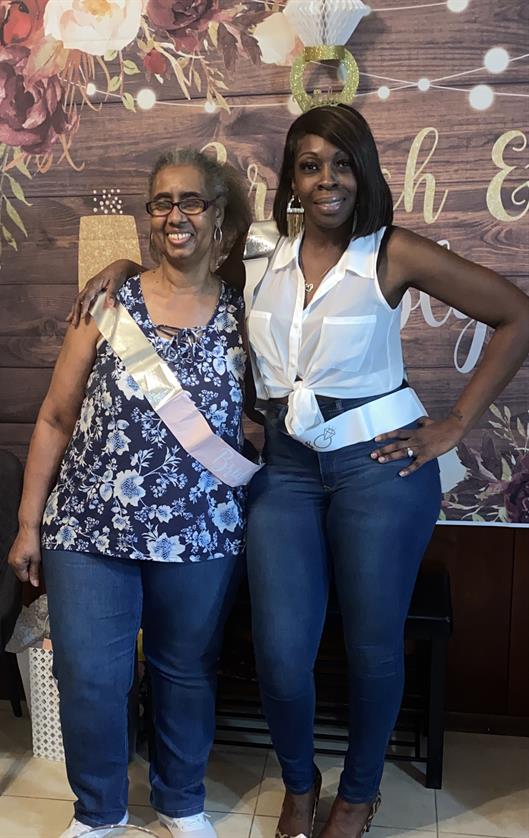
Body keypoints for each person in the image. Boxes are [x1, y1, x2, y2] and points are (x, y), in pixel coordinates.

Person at [69, 105, 529, 838]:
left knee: (372, 644)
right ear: (291, 177)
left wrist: (453, 425)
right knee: (282, 652)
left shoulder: (391, 252)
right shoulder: (256, 249)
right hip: (283, 470)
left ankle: (358, 794)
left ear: (363, 171)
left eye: (340, 163)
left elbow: (515, 314)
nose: (325, 179)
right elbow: (175, 264)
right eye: (309, 164)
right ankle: (299, 784)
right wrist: (126, 268)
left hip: (378, 470)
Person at [8, 148, 255, 838]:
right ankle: (99, 815)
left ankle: (181, 802)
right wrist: (30, 525)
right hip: (88, 530)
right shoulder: (105, 304)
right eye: (160, 202)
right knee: (89, 677)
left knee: (184, 672)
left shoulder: (248, 315)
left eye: (192, 202)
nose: (174, 215)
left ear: (221, 222)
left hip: (200, 530)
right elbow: (55, 417)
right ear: (148, 219)